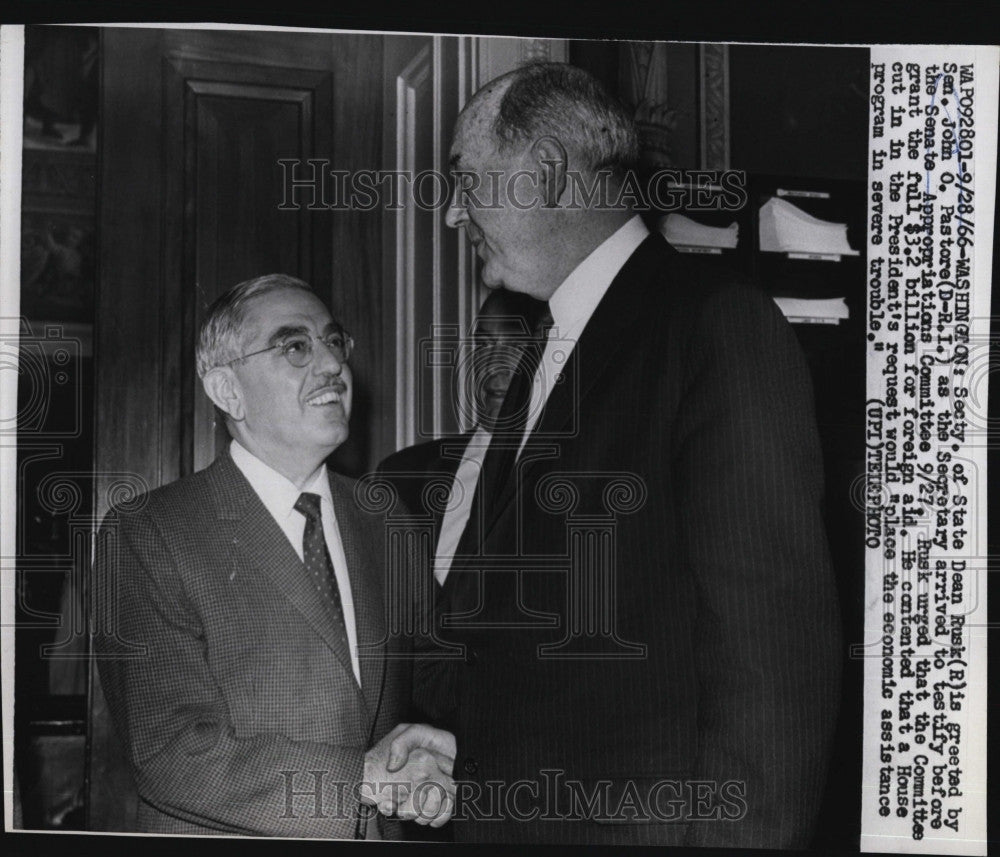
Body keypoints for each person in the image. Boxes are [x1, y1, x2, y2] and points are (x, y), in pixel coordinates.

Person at [400, 61, 842, 848]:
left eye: (466, 181)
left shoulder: (713, 327)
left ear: (541, 175)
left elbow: (774, 664)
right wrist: (472, 751)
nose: (452, 217)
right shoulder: (547, 351)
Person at [93, 274, 456, 838]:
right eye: (295, 347)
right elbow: (171, 752)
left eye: (335, 342)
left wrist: (445, 754)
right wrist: (357, 780)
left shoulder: (388, 521)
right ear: (226, 390)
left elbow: (440, 680)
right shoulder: (149, 534)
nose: (332, 364)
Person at [376, 287, 550, 589]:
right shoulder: (402, 477)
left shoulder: (574, 472)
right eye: (484, 344)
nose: (493, 365)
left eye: (518, 346)